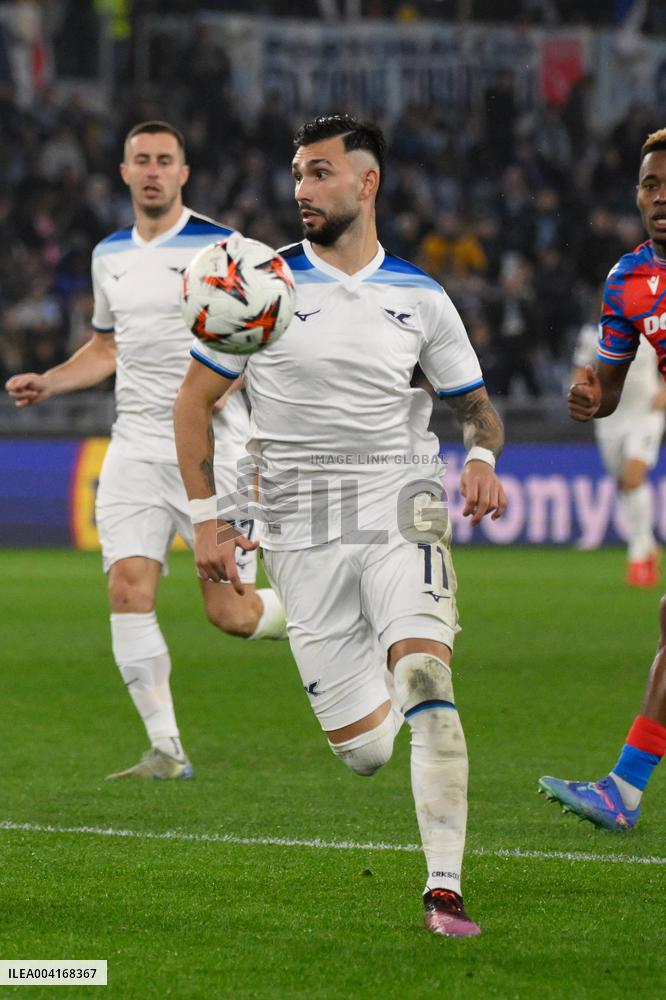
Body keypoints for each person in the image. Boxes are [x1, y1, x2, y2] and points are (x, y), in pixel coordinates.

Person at [173, 114, 506, 936]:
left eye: (319, 172)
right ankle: (295, 619)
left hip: (402, 505)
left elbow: (477, 408)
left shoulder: (421, 296)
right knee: (365, 753)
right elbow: (193, 404)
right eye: (297, 174)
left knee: (426, 680)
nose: (302, 188)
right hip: (301, 527)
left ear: (368, 182)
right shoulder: (263, 285)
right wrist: (209, 521)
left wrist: (481, 457)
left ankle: (444, 890)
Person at [5, 121, 286, 781]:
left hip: (215, 450)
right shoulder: (109, 255)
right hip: (132, 446)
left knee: (230, 612)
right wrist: (51, 380)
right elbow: (107, 346)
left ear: (184, 173)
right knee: (128, 589)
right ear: (125, 173)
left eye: (165, 160)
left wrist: (231, 379)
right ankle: (167, 749)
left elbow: (268, 332)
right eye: (142, 160)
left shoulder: (224, 247)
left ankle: (317, 616)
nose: (153, 170)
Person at [539, 127, 666, 830]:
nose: (661, 196)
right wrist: (592, 396)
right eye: (650, 184)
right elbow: (609, 385)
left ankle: (625, 788)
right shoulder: (628, 281)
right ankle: (625, 788)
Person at [571, 319, 665, 586]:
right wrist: (582, 394)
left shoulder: (653, 323)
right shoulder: (592, 333)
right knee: (623, 483)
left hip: (646, 414)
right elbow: (579, 373)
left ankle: (638, 553)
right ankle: (648, 545)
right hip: (609, 418)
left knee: (633, 479)